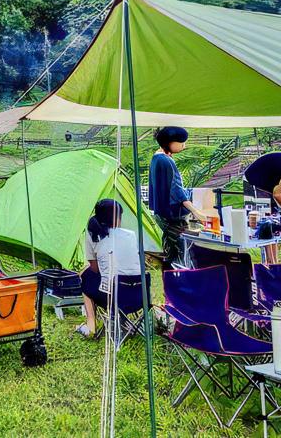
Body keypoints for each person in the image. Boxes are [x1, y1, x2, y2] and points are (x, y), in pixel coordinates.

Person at [77, 198, 142, 338]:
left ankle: (91, 324)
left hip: (112, 297)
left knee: (86, 276)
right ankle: (123, 320)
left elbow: (94, 269)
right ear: (117, 218)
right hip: (139, 296)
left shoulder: (92, 236)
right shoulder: (131, 235)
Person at [148, 126, 208, 270]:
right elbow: (176, 189)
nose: (184, 146)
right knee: (180, 254)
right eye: (182, 143)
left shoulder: (156, 159)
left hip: (161, 213)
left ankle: (170, 283)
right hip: (172, 216)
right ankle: (179, 284)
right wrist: (196, 211)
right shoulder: (166, 161)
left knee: (170, 251)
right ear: (171, 142)